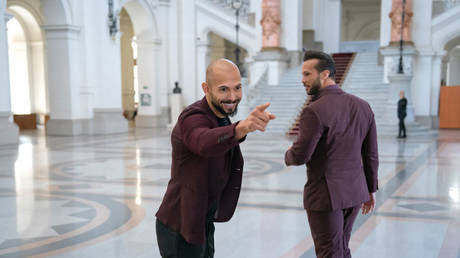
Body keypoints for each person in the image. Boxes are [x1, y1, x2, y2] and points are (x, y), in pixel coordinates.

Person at [155, 59, 276, 258]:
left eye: (237, 88)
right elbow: (203, 141)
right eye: (223, 90)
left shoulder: (220, 113)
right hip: (180, 224)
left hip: (202, 219)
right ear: (206, 88)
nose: (233, 96)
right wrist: (241, 128)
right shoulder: (192, 117)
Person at [284, 51, 379, 258]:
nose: (303, 80)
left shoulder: (314, 110)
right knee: (341, 248)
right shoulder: (363, 106)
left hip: (325, 196)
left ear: (325, 74)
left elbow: (301, 155)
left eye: (307, 74)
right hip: (355, 192)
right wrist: (370, 188)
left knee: (330, 252)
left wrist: (288, 154)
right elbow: (371, 153)